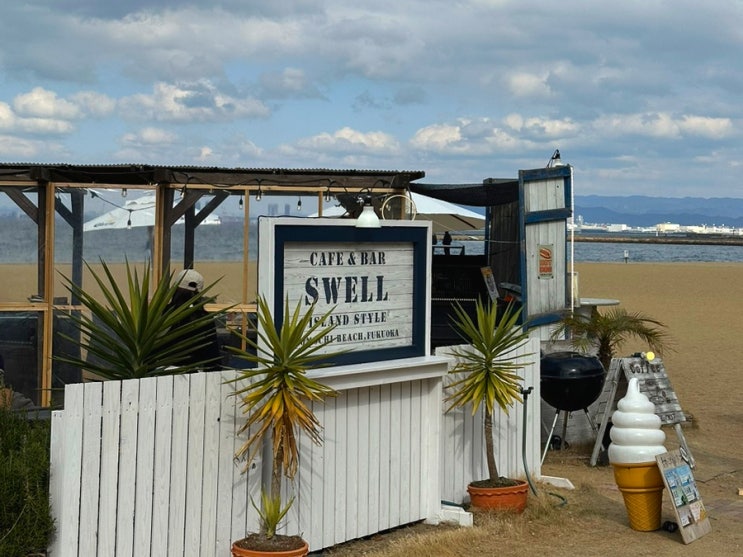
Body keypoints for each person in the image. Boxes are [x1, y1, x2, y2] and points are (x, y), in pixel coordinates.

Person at [168, 269, 222, 371]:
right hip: (194, 374)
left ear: (175, 288)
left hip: (159, 374)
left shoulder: (163, 314)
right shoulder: (204, 319)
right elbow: (213, 356)